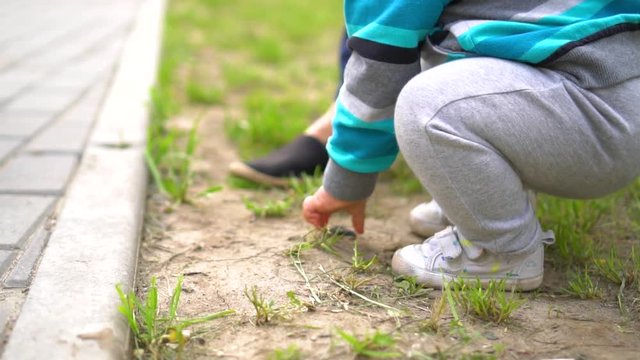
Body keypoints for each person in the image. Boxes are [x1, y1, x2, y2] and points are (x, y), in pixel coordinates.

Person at [302, 1, 640, 291]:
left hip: (593, 113)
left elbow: (380, 66)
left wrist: (346, 181)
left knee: (428, 105)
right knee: (475, 51)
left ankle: (500, 248)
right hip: (615, 88)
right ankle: (482, 202)